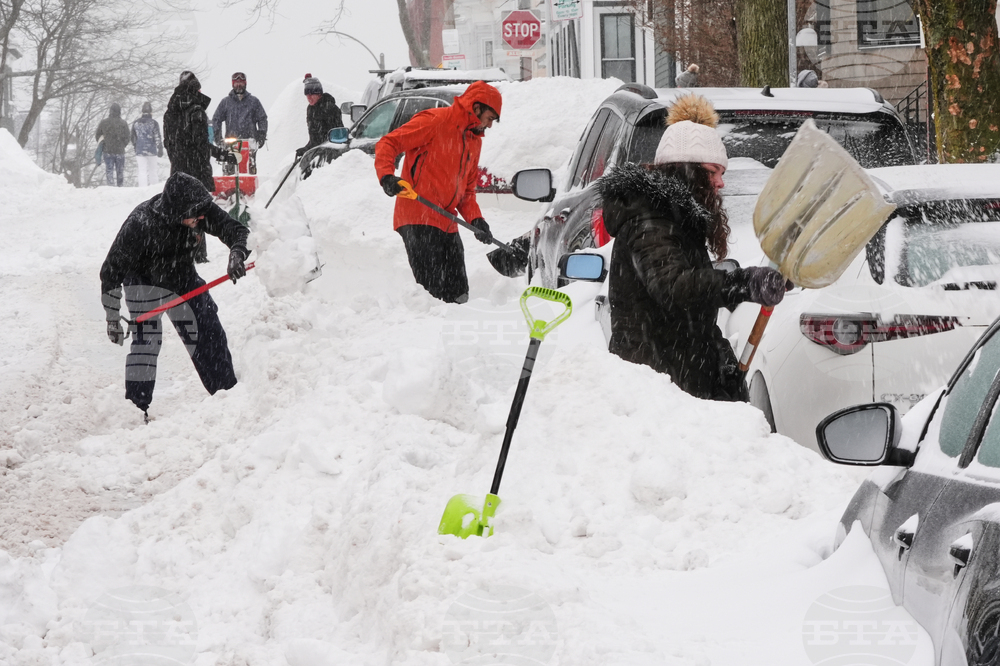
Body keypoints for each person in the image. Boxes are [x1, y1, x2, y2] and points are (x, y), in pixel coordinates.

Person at [596, 94, 789, 402]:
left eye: (721, 173)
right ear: (687, 171)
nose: (720, 183)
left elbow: (691, 318)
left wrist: (719, 359)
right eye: (713, 171)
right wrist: (741, 282)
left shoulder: (677, 222)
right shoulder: (649, 222)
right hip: (656, 392)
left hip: (678, 378)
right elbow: (675, 288)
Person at [100, 172, 250, 421]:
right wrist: (112, 316)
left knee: (206, 325)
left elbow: (236, 230)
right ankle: (136, 409)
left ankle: (226, 392)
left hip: (181, 275)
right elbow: (110, 273)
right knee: (147, 339)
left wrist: (237, 252)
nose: (202, 217)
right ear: (177, 212)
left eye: (203, 212)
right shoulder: (140, 224)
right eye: (196, 215)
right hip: (142, 281)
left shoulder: (197, 209)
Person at [373, 81, 501, 304]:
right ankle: (429, 334)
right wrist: (386, 176)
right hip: (418, 215)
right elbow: (388, 143)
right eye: (490, 118)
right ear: (477, 107)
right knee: (433, 296)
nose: (490, 125)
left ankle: (459, 335)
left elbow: (467, 191)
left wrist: (476, 219)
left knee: (459, 293)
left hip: (446, 220)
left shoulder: (474, 142)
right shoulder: (435, 121)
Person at [164, 71, 236, 262]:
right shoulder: (196, 111)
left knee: (182, 211)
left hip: (178, 168)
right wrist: (223, 155)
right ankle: (199, 254)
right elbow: (201, 144)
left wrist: (177, 160)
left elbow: (167, 143)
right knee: (199, 212)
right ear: (196, 88)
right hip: (196, 168)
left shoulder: (170, 112)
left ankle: (183, 252)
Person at [211, 71, 268, 175]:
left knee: (249, 169)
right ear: (232, 84)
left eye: (241, 82)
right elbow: (216, 119)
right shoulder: (226, 102)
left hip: (249, 142)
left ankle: (251, 189)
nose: (239, 85)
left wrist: (261, 134)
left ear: (245, 83)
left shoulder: (253, 102)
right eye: (236, 82)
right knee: (230, 171)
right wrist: (217, 136)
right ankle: (229, 189)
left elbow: (262, 118)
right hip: (230, 144)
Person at [294, 74, 343, 160]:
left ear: (319, 94)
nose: (309, 98)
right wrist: (307, 149)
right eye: (307, 95)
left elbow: (337, 136)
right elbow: (315, 139)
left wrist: (322, 149)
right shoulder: (311, 109)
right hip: (318, 152)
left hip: (331, 153)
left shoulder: (330, 108)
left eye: (311, 95)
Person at [95, 103, 130, 187]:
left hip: (108, 151)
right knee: (120, 171)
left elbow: (98, 136)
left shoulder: (104, 123)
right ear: (119, 112)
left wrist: (105, 143)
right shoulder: (123, 123)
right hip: (120, 151)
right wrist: (122, 145)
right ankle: (120, 186)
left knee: (109, 170)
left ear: (110, 111)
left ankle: (111, 186)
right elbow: (127, 137)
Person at [131, 101, 164, 187]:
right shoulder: (154, 123)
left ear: (142, 112)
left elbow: (133, 137)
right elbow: (157, 137)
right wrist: (160, 148)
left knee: (142, 171)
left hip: (140, 150)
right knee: (153, 171)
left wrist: (135, 146)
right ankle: (154, 190)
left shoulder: (136, 123)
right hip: (152, 150)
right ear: (151, 112)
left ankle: (142, 189)